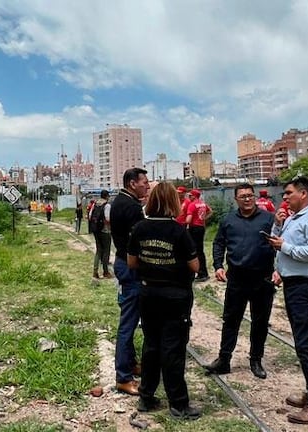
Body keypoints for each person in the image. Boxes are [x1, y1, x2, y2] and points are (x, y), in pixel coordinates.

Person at [127, 182, 202, 420]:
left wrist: (152, 266)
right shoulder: (178, 231)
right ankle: (179, 404)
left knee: (151, 346)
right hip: (175, 297)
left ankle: (146, 396)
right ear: (173, 202)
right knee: (173, 350)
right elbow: (195, 265)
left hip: (148, 294)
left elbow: (131, 262)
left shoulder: (139, 228)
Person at [267, 177, 308, 425]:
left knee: (307, 344)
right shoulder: (296, 218)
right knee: (303, 343)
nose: (284, 197)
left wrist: (285, 247)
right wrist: (277, 229)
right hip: (296, 284)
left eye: (288, 193)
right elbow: (284, 245)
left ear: (303, 194)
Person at [205, 184, 276, 380]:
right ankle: (224, 359)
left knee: (260, 322)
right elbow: (219, 243)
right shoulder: (228, 221)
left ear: (254, 198)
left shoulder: (268, 219)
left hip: (262, 278)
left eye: (250, 196)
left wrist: (279, 270)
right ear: (236, 199)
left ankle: (256, 359)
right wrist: (218, 265)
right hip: (236, 278)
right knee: (231, 320)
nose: (247, 199)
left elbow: (279, 243)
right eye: (243, 196)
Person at [109, 167, 150, 396]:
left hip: (124, 264)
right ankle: (123, 377)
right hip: (130, 268)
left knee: (131, 320)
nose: (147, 185)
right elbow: (139, 241)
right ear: (132, 183)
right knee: (128, 323)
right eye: (144, 182)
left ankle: (131, 364)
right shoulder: (131, 207)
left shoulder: (120, 202)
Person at [185, 189, 212, 282]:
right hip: (201, 227)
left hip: (194, 228)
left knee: (194, 251)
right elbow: (210, 211)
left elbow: (188, 220)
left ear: (194, 196)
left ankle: (201, 273)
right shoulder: (203, 203)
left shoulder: (192, 205)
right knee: (200, 250)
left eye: (190, 195)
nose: (189, 197)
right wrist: (203, 219)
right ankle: (203, 272)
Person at [91, 190, 112, 279]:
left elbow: (90, 216)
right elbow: (107, 218)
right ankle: (105, 272)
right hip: (105, 231)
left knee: (99, 251)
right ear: (107, 196)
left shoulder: (95, 204)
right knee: (106, 251)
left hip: (96, 230)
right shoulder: (107, 205)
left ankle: (95, 272)